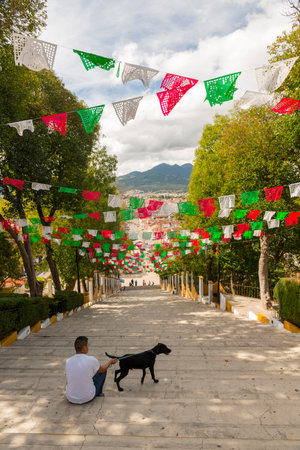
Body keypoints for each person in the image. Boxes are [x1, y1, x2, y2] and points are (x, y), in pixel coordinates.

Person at [65, 336, 117, 404]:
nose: (88, 347)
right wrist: (110, 362)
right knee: (103, 371)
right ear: (84, 347)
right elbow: (102, 370)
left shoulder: (68, 361)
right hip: (87, 397)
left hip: (70, 398)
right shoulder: (91, 359)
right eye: (87, 345)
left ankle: (74, 392)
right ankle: (98, 393)